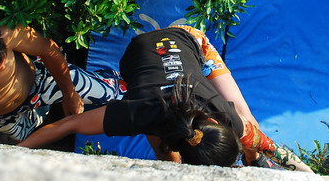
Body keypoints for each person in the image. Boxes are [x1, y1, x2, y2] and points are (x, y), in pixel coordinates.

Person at [18, 26, 313, 172]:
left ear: (213, 123)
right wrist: (11, 155)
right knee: (165, 153)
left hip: (172, 48)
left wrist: (310, 174)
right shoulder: (142, 114)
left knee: (250, 126)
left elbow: (66, 125)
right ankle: (240, 156)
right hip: (159, 46)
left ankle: (252, 158)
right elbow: (66, 125)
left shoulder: (226, 117)